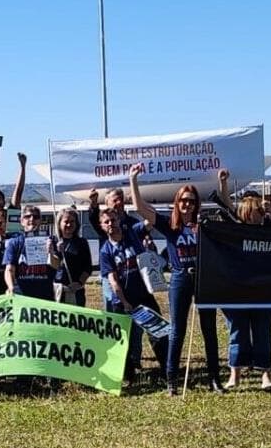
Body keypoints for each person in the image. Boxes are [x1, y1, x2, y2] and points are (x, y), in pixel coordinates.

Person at [129, 165, 223, 395]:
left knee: (209, 328)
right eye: (183, 200)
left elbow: (227, 212)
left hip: (202, 280)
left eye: (191, 201)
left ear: (196, 204)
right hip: (180, 278)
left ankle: (214, 379)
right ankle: (172, 380)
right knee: (177, 330)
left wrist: (223, 185)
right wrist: (133, 179)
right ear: (177, 202)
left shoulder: (203, 226)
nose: (187, 204)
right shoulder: (170, 225)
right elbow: (140, 208)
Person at [218, 169, 271, 391]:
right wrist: (224, 182)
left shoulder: (269, 229)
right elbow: (225, 203)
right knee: (238, 330)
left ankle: (265, 375)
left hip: (265, 289)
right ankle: (235, 374)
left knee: (263, 331)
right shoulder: (236, 230)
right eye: (252, 211)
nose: (256, 215)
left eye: (258, 211)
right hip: (238, 289)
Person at [98, 209, 169, 385]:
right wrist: (125, 302)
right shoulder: (105, 251)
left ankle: (168, 372)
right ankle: (129, 376)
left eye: (113, 220)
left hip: (144, 296)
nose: (110, 224)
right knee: (123, 340)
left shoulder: (133, 234)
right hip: (122, 302)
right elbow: (113, 280)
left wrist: (141, 204)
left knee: (158, 334)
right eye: (106, 222)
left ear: (119, 220)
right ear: (101, 226)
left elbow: (150, 222)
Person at [3, 205, 60, 300]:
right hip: (21, 295)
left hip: (45, 296)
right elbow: (9, 269)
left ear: (40, 221)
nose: (32, 219)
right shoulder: (14, 242)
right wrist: (10, 287)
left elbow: (57, 266)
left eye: (36, 217)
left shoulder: (51, 240)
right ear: (21, 221)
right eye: (27, 216)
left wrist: (50, 252)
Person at [53, 208, 92, 307]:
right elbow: (51, 265)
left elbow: (87, 267)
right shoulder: (52, 241)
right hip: (56, 290)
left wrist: (79, 283)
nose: (69, 225)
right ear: (59, 223)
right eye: (66, 222)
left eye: (72, 221)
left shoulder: (82, 242)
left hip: (75, 291)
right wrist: (54, 252)